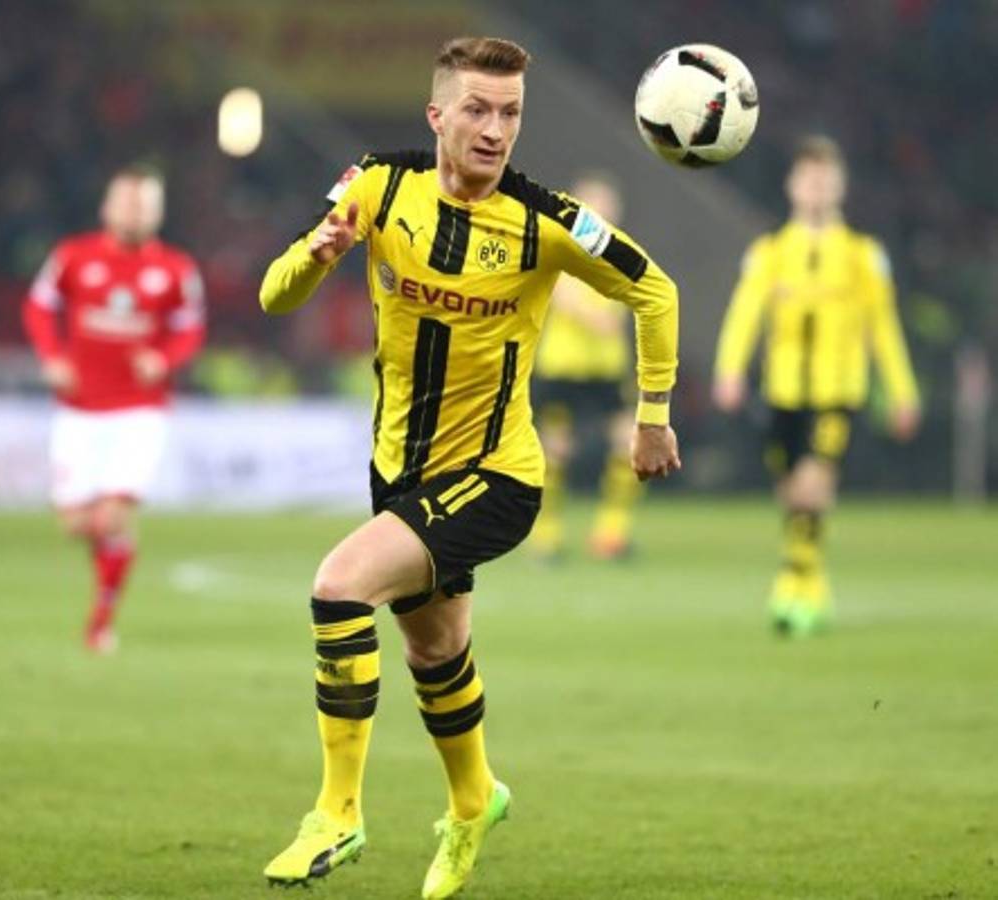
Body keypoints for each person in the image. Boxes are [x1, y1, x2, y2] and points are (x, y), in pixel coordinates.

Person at [258, 36, 680, 899]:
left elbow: (654, 289)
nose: (494, 130)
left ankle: (336, 812)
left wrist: (651, 415)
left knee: (339, 589)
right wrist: (318, 255)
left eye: (510, 113)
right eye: (478, 109)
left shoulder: (546, 221)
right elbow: (275, 295)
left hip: (497, 476)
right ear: (436, 114)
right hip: (399, 472)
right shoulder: (376, 184)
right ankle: (475, 800)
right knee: (436, 651)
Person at [712, 135, 919, 637]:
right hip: (782, 391)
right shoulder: (770, 252)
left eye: (826, 181)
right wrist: (729, 370)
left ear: (840, 188)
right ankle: (812, 580)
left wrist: (902, 391)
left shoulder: (862, 255)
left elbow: (883, 327)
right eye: (809, 180)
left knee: (812, 484)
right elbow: (745, 314)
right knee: (791, 493)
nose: (817, 189)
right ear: (792, 186)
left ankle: (794, 584)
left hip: (838, 392)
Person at [22, 164, 205, 653]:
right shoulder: (73, 257)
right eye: (127, 201)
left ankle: (100, 622)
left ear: (158, 213)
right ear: (107, 207)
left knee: (110, 518)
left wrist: (163, 360)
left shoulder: (176, 270)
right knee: (76, 525)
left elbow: (190, 329)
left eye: (144, 204)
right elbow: (38, 307)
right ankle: (115, 554)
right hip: (78, 409)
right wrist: (52, 357)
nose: (135, 211)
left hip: (140, 412)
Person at [530, 172, 645, 561]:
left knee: (629, 442)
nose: (601, 213)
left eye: (608, 207)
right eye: (593, 205)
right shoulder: (558, 251)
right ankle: (546, 535)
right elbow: (568, 301)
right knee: (554, 451)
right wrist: (597, 315)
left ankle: (612, 532)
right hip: (562, 369)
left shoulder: (624, 254)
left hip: (607, 371)